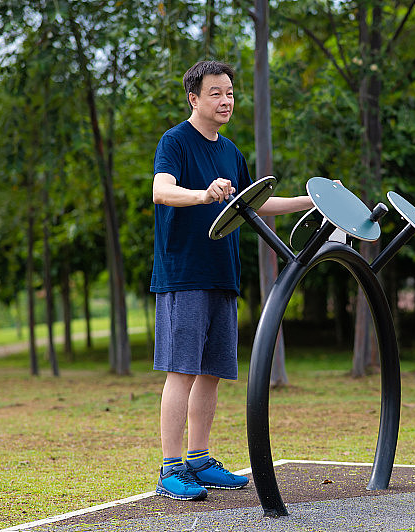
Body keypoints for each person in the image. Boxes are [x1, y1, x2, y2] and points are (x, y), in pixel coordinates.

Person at [150, 60, 313, 501]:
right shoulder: (175, 142)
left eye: (230, 93)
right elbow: (161, 190)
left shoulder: (231, 151)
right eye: (216, 93)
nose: (226, 101)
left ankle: (199, 461)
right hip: (183, 275)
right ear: (194, 98)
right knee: (182, 371)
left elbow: (253, 204)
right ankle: (170, 470)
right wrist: (203, 194)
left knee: (211, 374)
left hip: (223, 275)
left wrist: (310, 199)